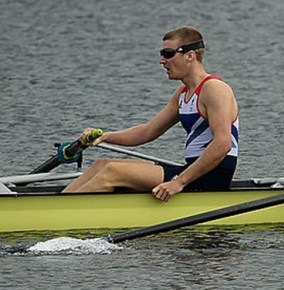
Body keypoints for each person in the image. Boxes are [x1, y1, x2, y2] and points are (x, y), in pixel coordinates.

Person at [63, 27, 239, 201]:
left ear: (190, 56)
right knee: (103, 164)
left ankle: (61, 215)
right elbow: (148, 131)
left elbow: (223, 144)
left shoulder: (215, 89)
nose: (162, 61)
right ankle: (56, 206)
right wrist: (105, 137)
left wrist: (179, 182)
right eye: (161, 54)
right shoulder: (183, 93)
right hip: (193, 170)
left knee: (113, 172)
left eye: (168, 53)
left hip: (212, 175)